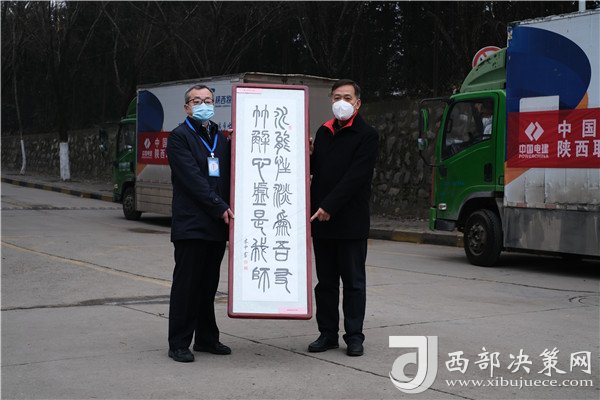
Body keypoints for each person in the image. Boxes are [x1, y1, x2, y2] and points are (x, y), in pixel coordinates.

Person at [308, 79, 379, 357]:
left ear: (357, 103)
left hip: (350, 222)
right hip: (322, 222)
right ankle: (327, 334)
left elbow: (356, 177)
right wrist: (306, 154)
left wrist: (329, 205)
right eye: (337, 97)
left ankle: (354, 336)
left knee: (353, 283)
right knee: (325, 283)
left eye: (347, 98)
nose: (342, 102)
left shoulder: (367, 135)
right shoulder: (323, 132)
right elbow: (316, 171)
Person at [166, 84, 234, 363]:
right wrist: (219, 206)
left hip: (216, 225)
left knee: (208, 285)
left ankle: (207, 338)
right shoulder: (179, 137)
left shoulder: (221, 137)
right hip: (191, 224)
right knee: (187, 286)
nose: (203, 105)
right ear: (187, 107)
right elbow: (192, 179)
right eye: (197, 101)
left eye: (208, 100)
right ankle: (179, 343)